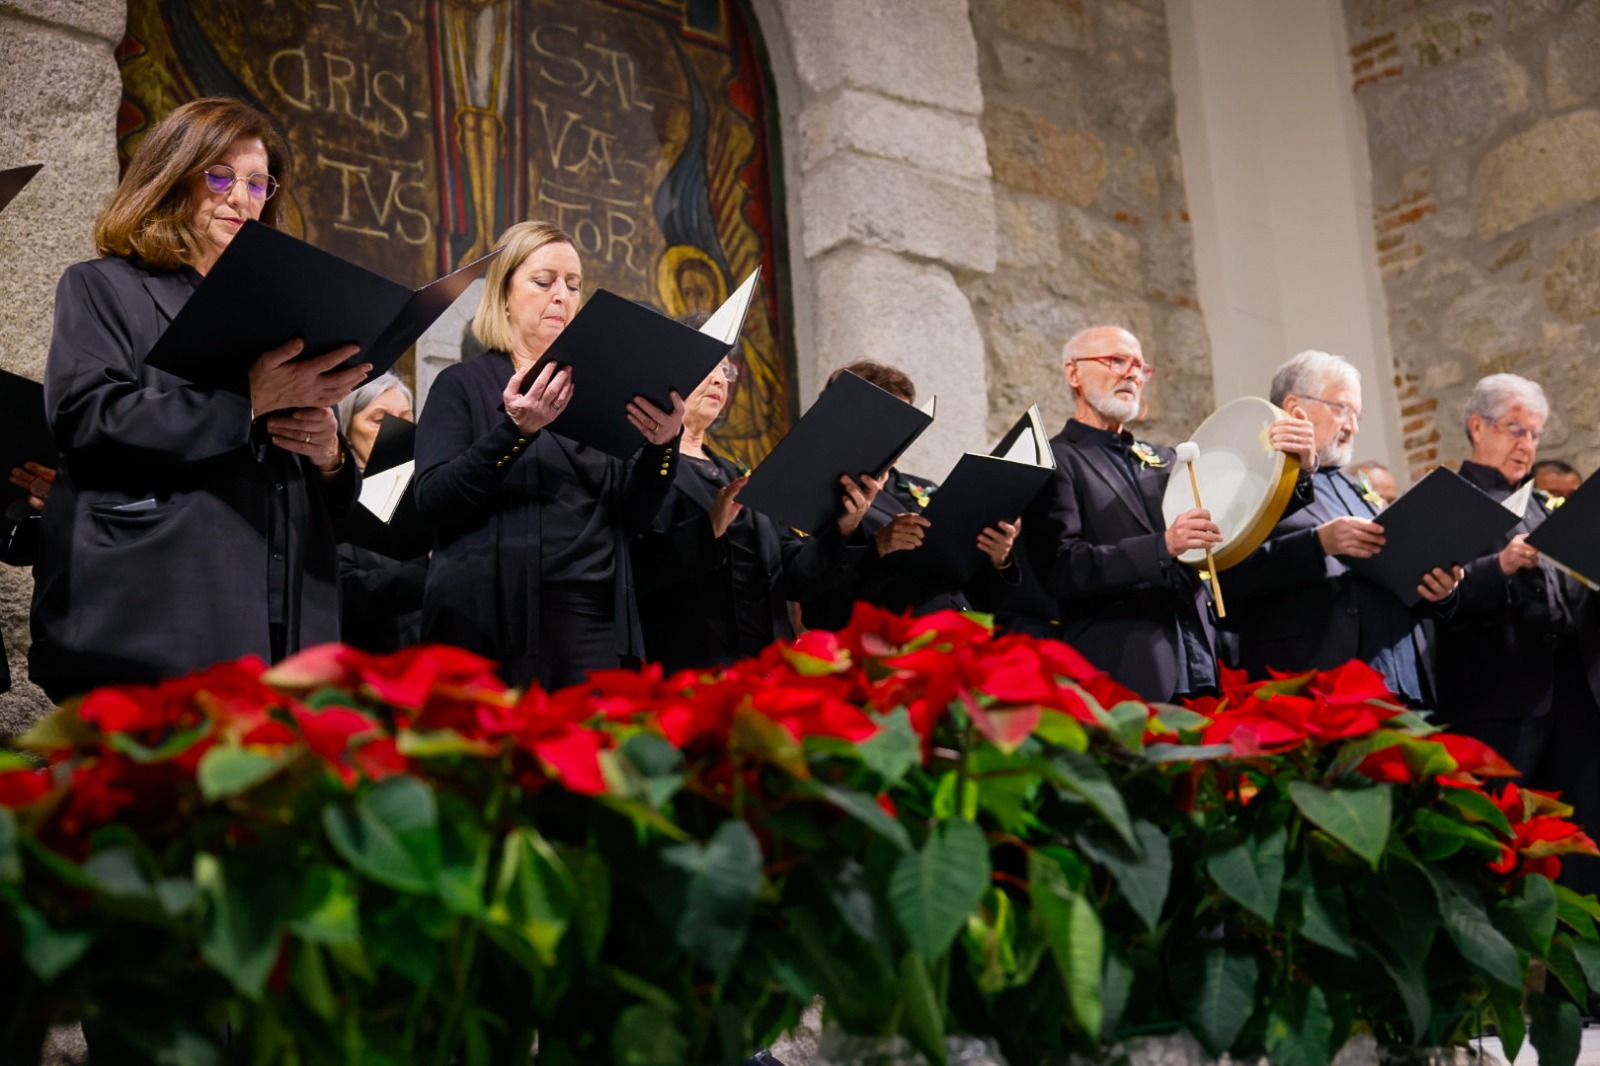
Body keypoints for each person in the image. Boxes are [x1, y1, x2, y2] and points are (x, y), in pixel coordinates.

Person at [29, 97, 368, 701]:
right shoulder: (107, 287)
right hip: (154, 610)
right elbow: (87, 420)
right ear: (172, 177)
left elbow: (323, 492)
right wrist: (249, 400)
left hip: (285, 616)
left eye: (259, 184)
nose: (242, 199)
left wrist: (330, 458)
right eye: (220, 177)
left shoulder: (283, 314)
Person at [413, 220, 686, 690]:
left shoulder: (601, 393)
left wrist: (662, 447)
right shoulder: (463, 386)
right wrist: (514, 431)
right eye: (544, 282)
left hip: (598, 623)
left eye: (574, 285)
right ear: (503, 295)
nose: (562, 295)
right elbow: (434, 500)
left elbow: (631, 516)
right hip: (494, 622)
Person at [1021, 326, 1316, 702]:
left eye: (1141, 367)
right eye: (1116, 361)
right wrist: (1163, 546)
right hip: (1122, 664)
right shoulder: (1056, 459)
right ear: (1073, 373)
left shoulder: (1170, 459)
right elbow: (1062, 568)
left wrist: (1299, 469)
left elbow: (1236, 516)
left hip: (1198, 654)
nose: (1132, 373)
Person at [1428, 377, 1600, 897]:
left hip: (1570, 696)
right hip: (1498, 699)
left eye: (1535, 434)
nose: (1526, 444)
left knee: (1582, 846)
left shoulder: (1540, 503)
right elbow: (1431, 599)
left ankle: (1578, 976)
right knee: (1495, 851)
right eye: (1515, 430)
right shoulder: (1446, 502)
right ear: (1477, 427)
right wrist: (1499, 565)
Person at [1222, 350, 1460, 705]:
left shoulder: (1357, 487)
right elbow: (1228, 578)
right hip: (1317, 683)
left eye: (1357, 415)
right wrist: (1318, 545)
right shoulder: (1252, 478)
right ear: (1294, 407)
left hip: (1402, 681)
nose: (1353, 426)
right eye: (1342, 409)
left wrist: (1439, 591)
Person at [631, 344, 880, 672]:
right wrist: (708, 530)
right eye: (710, 367)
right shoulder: (644, 469)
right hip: (691, 668)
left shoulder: (737, 474)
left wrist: (845, 528)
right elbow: (639, 565)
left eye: (726, 370)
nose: (721, 380)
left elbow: (793, 574)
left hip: (769, 670)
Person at [798, 361, 1023, 631]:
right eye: (890, 421)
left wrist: (998, 559)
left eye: (908, 423)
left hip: (959, 635)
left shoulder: (924, 489)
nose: (899, 435)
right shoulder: (819, 496)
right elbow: (823, 612)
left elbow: (977, 595)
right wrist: (878, 551)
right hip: (891, 648)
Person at [335, 373, 427, 653]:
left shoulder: (427, 490)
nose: (396, 427)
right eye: (379, 419)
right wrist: (432, 567)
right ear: (348, 429)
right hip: (366, 656)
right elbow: (346, 590)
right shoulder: (337, 497)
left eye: (405, 416)